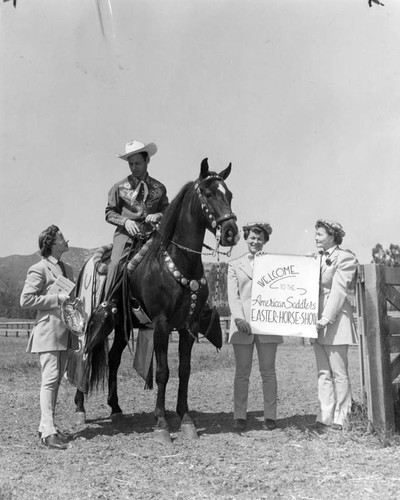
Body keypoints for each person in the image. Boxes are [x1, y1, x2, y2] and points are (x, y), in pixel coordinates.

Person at [20, 225, 79, 450]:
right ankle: (48, 431)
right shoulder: (38, 269)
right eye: (62, 237)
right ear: (51, 244)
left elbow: (68, 301)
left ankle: (47, 427)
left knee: (54, 381)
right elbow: (25, 300)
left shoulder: (69, 269)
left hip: (65, 332)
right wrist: (56, 299)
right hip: (48, 332)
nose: (66, 239)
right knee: (50, 380)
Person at [227, 222, 283, 432]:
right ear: (246, 238)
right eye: (251, 238)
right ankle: (239, 415)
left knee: (268, 372)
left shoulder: (275, 263)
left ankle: (270, 416)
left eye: (259, 239)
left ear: (265, 241)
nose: (255, 242)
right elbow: (233, 296)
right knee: (242, 372)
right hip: (243, 326)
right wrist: (239, 319)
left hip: (267, 325)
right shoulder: (235, 265)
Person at [103, 139, 169, 299]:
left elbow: (167, 210)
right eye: (131, 164)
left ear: (147, 160)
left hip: (153, 236)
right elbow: (109, 213)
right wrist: (126, 221)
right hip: (126, 236)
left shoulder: (159, 188)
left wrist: (158, 215)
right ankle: (106, 304)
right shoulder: (119, 187)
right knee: (116, 264)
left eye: (138, 163)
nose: (134, 168)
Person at [313, 218, 358, 431]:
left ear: (332, 236)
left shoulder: (346, 258)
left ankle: (342, 414)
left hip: (336, 320)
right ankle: (325, 413)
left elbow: (339, 290)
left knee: (339, 371)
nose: (315, 237)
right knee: (323, 371)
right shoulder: (314, 258)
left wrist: (325, 318)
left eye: (320, 234)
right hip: (315, 320)